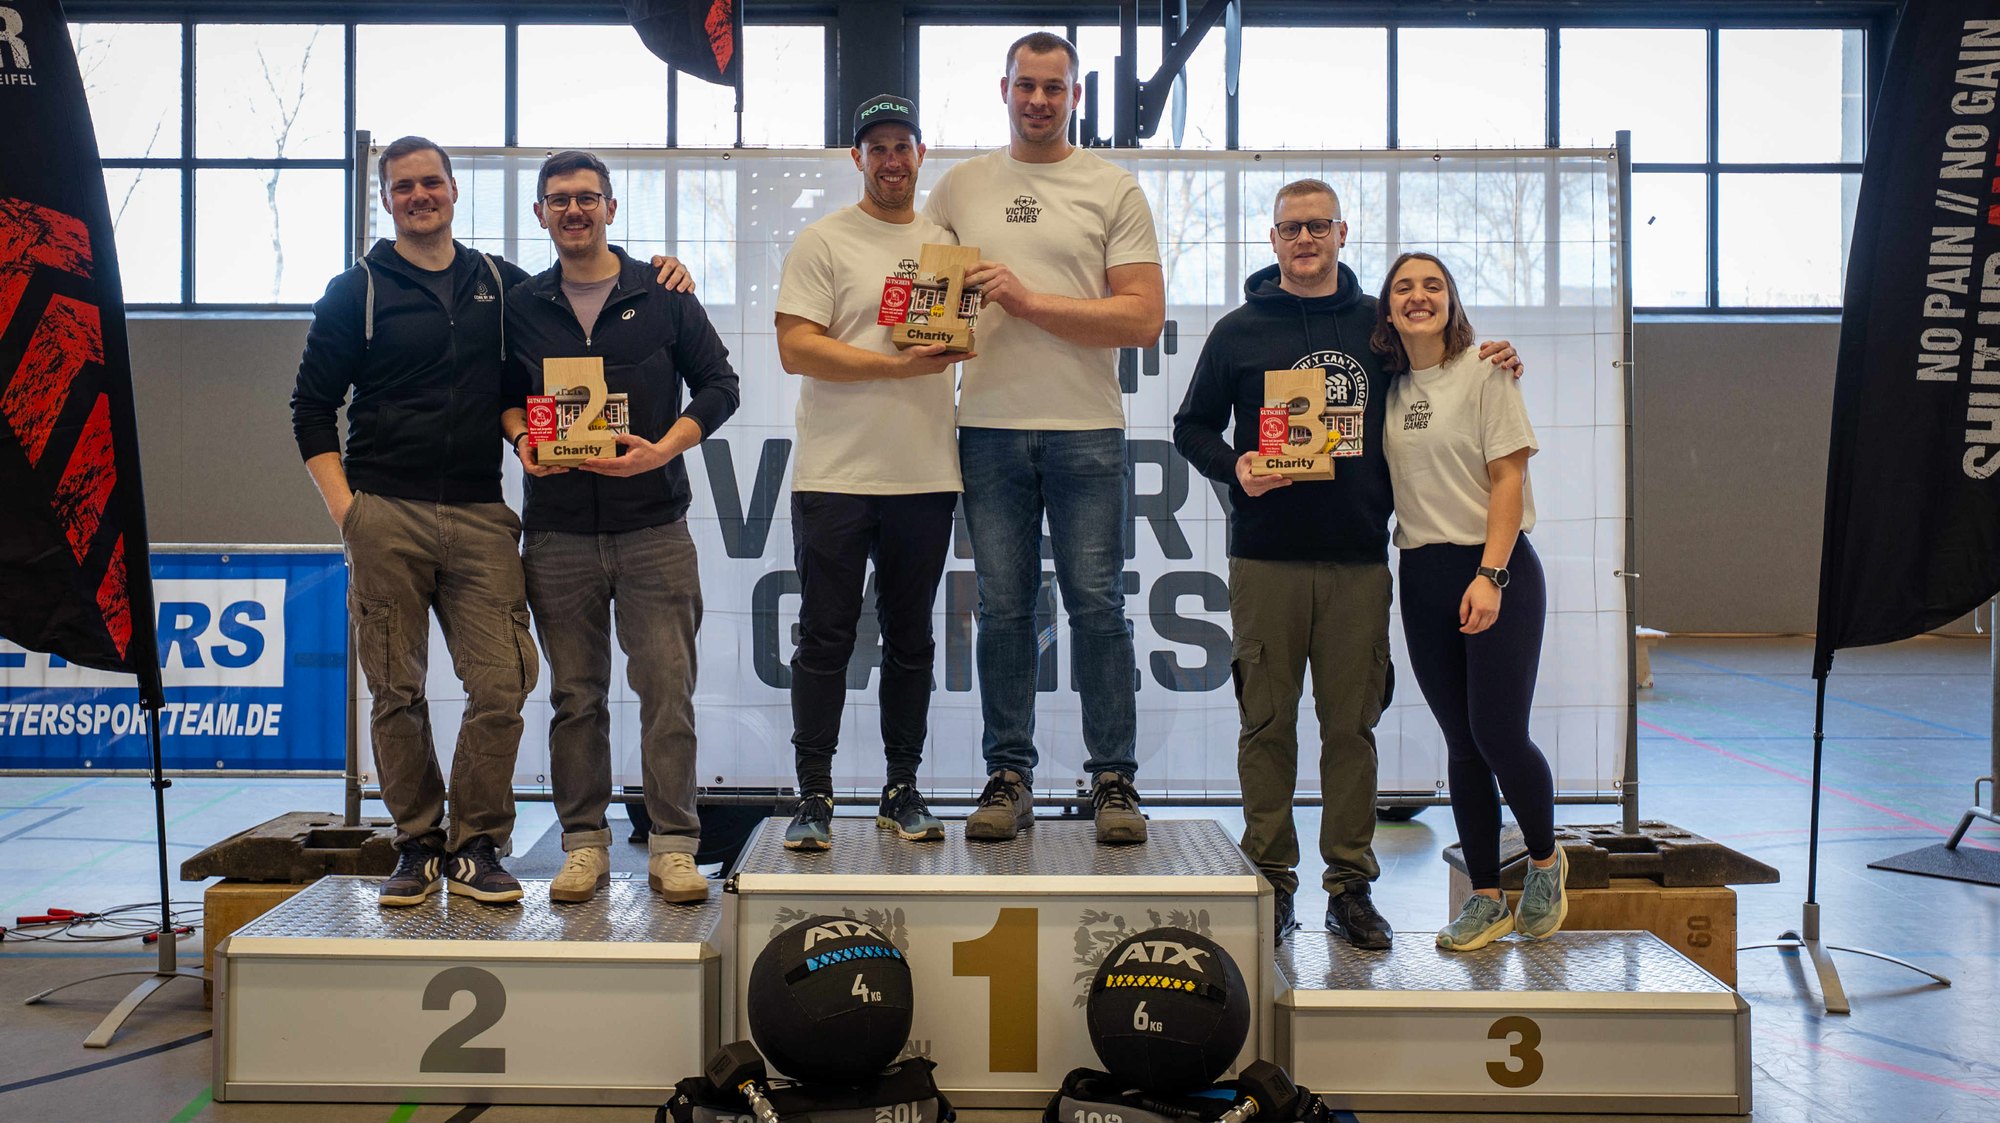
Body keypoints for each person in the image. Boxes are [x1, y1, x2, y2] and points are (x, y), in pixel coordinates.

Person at [1171, 180, 1521, 948]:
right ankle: (1271, 881)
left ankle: (1350, 887)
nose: (1305, 239)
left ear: (1341, 233)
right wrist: (1236, 466)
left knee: (1351, 731)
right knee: (1266, 725)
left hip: (1359, 561)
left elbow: (1444, 366)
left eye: (1319, 226)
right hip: (1265, 561)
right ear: (1272, 239)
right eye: (1292, 228)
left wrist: (1495, 355)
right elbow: (1190, 427)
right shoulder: (1236, 332)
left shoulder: (1378, 326)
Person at [923, 32, 1164, 845]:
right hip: (987, 426)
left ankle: (1114, 780)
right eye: (1025, 85)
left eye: (1053, 88)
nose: (1037, 100)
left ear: (1075, 96)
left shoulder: (1111, 187)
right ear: (1004, 89)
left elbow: (1142, 317)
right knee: (1002, 610)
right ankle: (1008, 776)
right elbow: (922, 301)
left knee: (1098, 604)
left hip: (1087, 428)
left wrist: (1027, 301)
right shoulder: (960, 186)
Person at [290, 136, 538, 908]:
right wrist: (350, 513)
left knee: (501, 682)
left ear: (454, 190)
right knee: (396, 688)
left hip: (481, 514)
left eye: (432, 181)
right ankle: (418, 841)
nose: (420, 195)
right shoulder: (355, 291)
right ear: (386, 199)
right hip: (384, 515)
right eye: (404, 186)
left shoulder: (500, 283)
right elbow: (310, 409)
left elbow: (582, 288)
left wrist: (656, 270)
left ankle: (477, 843)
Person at [499, 150, 740, 905]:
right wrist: (522, 439)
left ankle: (674, 847)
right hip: (557, 535)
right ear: (540, 213)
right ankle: (583, 845)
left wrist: (664, 449)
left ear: (609, 207)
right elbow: (502, 395)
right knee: (576, 697)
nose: (573, 211)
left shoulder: (662, 293)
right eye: (558, 200)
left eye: (586, 197)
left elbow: (721, 385)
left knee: (668, 693)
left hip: (653, 529)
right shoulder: (521, 305)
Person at [770, 95, 963, 850]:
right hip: (837, 474)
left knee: (912, 640)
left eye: (901, 146)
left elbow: (966, 334)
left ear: (921, 155)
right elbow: (797, 347)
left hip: (924, 474)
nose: (890, 160)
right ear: (857, 158)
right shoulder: (824, 240)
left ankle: (900, 789)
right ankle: (813, 795)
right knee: (826, 637)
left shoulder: (949, 245)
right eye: (876, 148)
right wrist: (896, 365)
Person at [1373, 252, 1563, 951]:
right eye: (1403, 287)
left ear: (1451, 301)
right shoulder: (1386, 388)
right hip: (1422, 571)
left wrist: (1491, 575)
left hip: (1494, 568)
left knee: (1499, 734)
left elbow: (1508, 479)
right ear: (1388, 310)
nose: (1418, 296)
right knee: (1462, 742)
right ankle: (1486, 897)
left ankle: (1544, 861)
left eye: (1433, 285)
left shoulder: (1487, 371)